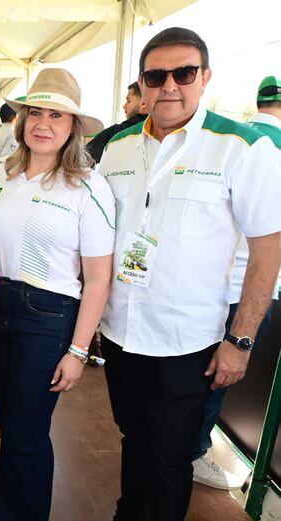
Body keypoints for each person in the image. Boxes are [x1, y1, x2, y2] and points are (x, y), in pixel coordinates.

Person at [98, 27, 281, 521]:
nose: (170, 86)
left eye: (184, 73)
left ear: (205, 78)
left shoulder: (241, 146)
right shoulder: (115, 149)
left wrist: (240, 341)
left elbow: (269, 248)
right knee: (134, 439)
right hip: (120, 332)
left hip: (190, 339)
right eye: (156, 76)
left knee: (170, 456)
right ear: (141, 84)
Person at [0, 68, 114, 521]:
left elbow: (98, 278)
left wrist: (78, 351)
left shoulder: (87, 185)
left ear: (73, 126)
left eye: (56, 115)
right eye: (34, 112)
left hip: (47, 315)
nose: (42, 123)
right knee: (13, 428)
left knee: (26, 434)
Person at [192, 74, 281, 490]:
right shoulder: (263, 147)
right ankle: (191, 454)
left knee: (197, 379)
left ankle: (185, 450)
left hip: (207, 284)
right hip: (248, 290)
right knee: (217, 378)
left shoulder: (233, 138)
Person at [86, 81, 147, 163]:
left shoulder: (115, 132)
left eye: (128, 101)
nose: (124, 106)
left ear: (143, 104)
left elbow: (82, 159)